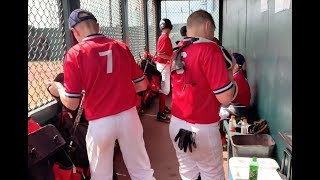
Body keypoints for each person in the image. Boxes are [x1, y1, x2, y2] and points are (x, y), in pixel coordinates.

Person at [48, 9, 155, 180]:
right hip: (129, 116)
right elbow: (142, 85)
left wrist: (58, 88)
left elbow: (72, 104)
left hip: (100, 121)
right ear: (97, 26)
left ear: (74, 32)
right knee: (142, 171)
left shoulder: (75, 53)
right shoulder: (121, 46)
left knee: (101, 176)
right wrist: (118, 88)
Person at [169, 10, 238, 180]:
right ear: (207, 26)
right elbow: (226, 98)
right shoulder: (210, 49)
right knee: (212, 174)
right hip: (203, 128)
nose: (212, 34)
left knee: (188, 172)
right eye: (212, 30)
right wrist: (232, 74)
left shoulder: (176, 49)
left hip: (177, 124)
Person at [154, 18, 173, 122]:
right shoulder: (164, 37)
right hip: (163, 65)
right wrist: (171, 58)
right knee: (165, 89)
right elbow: (161, 54)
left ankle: (163, 107)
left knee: (164, 89)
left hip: (163, 65)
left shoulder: (163, 36)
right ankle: (160, 113)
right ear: (169, 28)